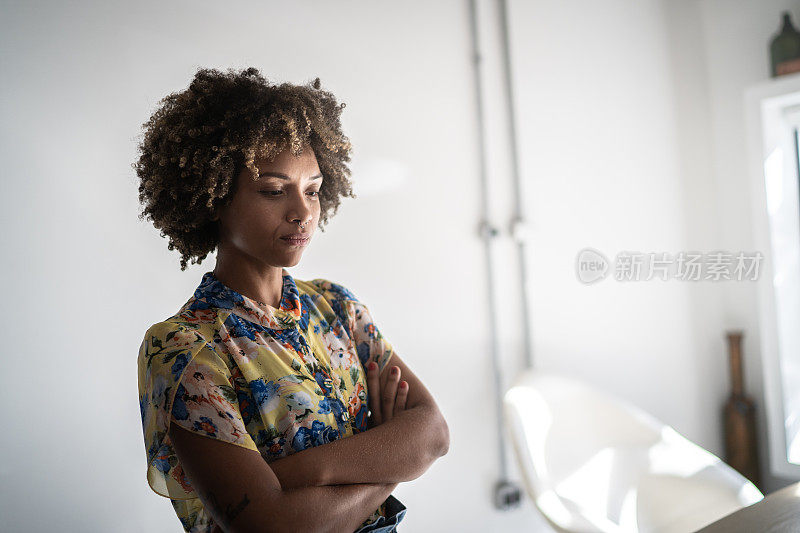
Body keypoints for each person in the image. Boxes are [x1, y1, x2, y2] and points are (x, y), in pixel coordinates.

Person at [134, 67, 450, 533]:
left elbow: (433, 435)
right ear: (216, 195)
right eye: (273, 190)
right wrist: (388, 458)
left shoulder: (337, 308)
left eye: (313, 190)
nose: (303, 212)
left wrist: (300, 476)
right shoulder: (186, 350)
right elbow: (273, 528)